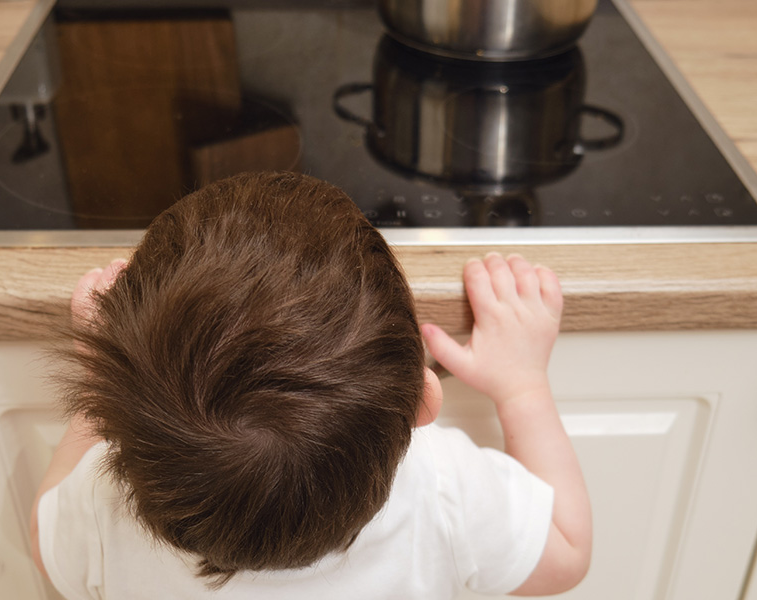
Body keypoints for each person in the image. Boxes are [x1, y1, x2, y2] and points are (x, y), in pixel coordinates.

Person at [29, 172, 591, 599]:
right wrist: (522, 387)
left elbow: (43, 541)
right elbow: (567, 551)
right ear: (425, 400)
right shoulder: (443, 491)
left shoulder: (102, 511)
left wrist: (98, 374)